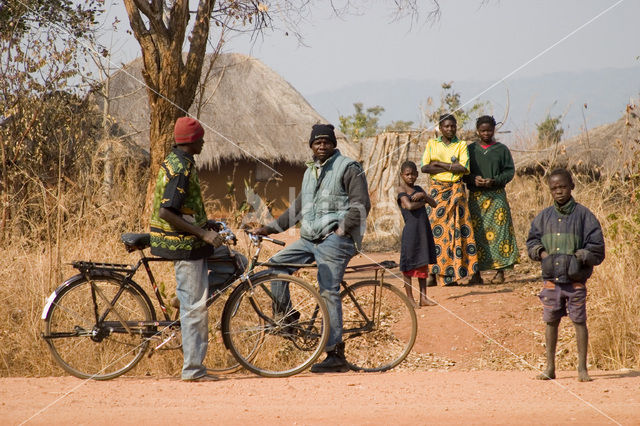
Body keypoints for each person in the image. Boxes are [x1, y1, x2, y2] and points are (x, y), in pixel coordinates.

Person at [252, 123, 370, 373]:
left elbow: (361, 206)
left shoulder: (348, 168)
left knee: (327, 289)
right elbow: (297, 210)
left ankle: (336, 354)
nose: (322, 146)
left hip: (336, 240)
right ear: (311, 146)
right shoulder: (309, 172)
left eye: (327, 142)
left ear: (334, 144)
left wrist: (340, 230)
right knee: (276, 266)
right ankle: (288, 320)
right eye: (317, 142)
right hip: (310, 239)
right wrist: (269, 228)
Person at [149, 117, 224, 382]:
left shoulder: (179, 161)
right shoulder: (181, 168)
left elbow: (184, 208)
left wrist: (208, 224)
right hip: (182, 245)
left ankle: (183, 298)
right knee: (195, 308)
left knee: (231, 261)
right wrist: (203, 233)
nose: (204, 142)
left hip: (189, 240)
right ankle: (193, 370)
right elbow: (167, 211)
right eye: (201, 138)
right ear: (192, 141)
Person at [526, 168, 605, 382]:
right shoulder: (543, 217)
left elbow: (598, 248)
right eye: (554, 188)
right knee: (550, 321)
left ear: (572, 186)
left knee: (579, 321)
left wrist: (583, 255)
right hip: (551, 281)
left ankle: (582, 369)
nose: (559, 191)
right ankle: (549, 367)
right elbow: (532, 242)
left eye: (563, 187)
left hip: (575, 280)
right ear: (550, 190)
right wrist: (542, 254)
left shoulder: (584, 216)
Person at [420, 114, 478, 286]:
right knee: (434, 232)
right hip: (437, 192)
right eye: (446, 126)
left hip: (456, 191)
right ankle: (432, 273)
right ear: (440, 127)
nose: (450, 129)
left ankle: (451, 275)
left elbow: (464, 168)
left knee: (456, 231)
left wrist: (439, 165)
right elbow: (424, 167)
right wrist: (451, 167)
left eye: (453, 126)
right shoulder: (432, 144)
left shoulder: (461, 145)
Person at [465, 116, 519, 285]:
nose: (486, 133)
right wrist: (473, 179)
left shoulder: (501, 149)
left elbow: (509, 172)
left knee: (501, 233)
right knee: (476, 234)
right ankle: (476, 273)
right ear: (477, 131)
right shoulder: (470, 150)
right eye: (482, 130)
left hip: (496, 196)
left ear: (494, 130)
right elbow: (463, 172)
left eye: (489, 130)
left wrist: (494, 180)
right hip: (477, 198)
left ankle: (501, 271)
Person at [397, 161, 438, 307]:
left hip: (423, 231)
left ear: (417, 174)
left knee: (422, 263)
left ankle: (423, 298)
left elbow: (434, 203)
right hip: (410, 233)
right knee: (408, 266)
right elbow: (408, 206)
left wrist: (424, 196)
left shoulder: (419, 189)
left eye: (413, 174)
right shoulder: (401, 190)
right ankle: (409, 298)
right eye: (407, 174)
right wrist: (423, 201)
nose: (410, 177)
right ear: (402, 175)